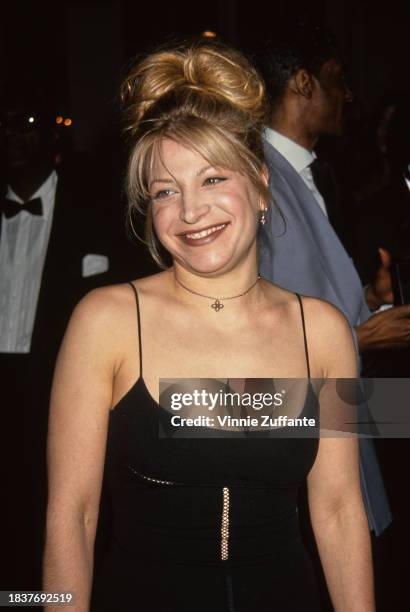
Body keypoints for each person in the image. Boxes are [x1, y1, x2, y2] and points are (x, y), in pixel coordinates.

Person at [43, 41, 374, 612]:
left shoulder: (324, 331)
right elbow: (72, 515)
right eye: (166, 191)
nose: (190, 212)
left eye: (213, 179)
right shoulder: (105, 321)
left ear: (261, 184)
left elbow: (341, 509)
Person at [256, 23, 397, 538]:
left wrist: (368, 301)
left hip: (342, 426)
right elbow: (247, 364)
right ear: (302, 82)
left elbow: (307, 297)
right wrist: (362, 339)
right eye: (336, 78)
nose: (348, 94)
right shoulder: (253, 181)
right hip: (295, 458)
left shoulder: (316, 175)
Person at [0, 90, 118, 589]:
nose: (13, 135)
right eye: (4, 124)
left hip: (59, 392)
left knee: (59, 517)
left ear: (53, 133)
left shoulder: (96, 213)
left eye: (26, 121)